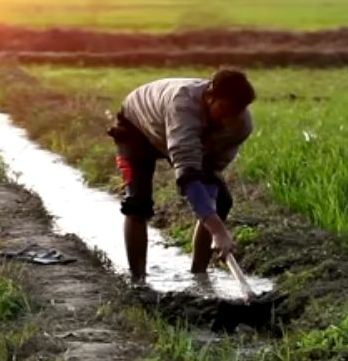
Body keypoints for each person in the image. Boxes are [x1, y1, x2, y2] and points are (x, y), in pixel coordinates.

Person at [107, 67, 256, 282]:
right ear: (210, 96)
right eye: (223, 110)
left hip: (183, 137)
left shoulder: (240, 126)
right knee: (137, 203)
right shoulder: (183, 105)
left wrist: (211, 211)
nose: (226, 120)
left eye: (234, 113)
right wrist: (218, 231)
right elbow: (188, 175)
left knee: (220, 203)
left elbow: (211, 171)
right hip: (137, 127)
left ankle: (199, 277)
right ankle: (138, 281)